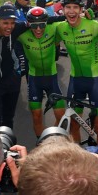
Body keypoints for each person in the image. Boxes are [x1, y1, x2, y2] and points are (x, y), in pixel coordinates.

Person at [54, 0, 98, 143]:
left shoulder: (94, 26)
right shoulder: (60, 28)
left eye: (75, 7)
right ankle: (78, 159)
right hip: (76, 81)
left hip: (95, 80)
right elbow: (45, 38)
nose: (71, 11)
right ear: (63, 9)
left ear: (81, 10)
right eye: (68, 7)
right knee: (74, 124)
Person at [18, 7, 66, 137]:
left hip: (52, 79)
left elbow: (72, 20)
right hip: (34, 80)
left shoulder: (53, 28)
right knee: (37, 116)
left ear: (46, 23)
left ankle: (51, 137)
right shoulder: (22, 34)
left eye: (41, 25)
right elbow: (1, 30)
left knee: (61, 116)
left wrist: (85, 15)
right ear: (28, 24)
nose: (38, 29)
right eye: (34, 25)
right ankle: (41, 143)